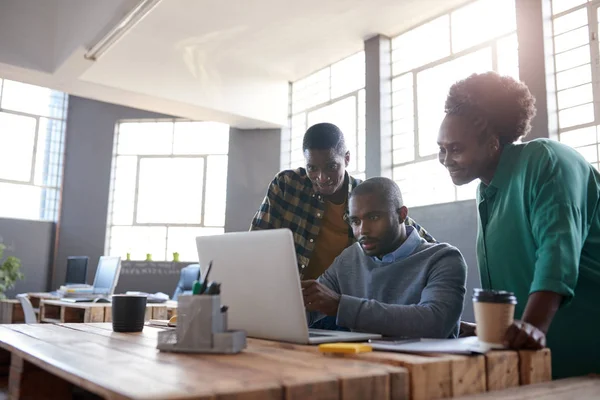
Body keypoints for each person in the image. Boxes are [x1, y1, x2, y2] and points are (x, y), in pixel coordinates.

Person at [437, 71, 600, 378]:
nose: (446, 159)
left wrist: (532, 326)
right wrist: (493, 331)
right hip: (542, 366)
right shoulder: (486, 190)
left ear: (492, 142)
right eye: (441, 149)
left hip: (590, 357)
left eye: (456, 148)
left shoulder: (546, 159)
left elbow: (557, 249)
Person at [251, 123, 435, 330]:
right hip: (295, 305)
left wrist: (438, 302)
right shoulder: (287, 185)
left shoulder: (364, 197)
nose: (322, 177)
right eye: (312, 168)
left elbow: (424, 244)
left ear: (346, 159)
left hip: (342, 308)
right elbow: (257, 242)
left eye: (331, 166)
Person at [301, 177, 467, 338]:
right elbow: (310, 308)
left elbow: (435, 323)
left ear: (402, 215)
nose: (363, 230)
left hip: (428, 364)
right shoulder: (348, 258)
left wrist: (340, 306)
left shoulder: (444, 259)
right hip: (364, 363)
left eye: (373, 217)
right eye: (355, 221)